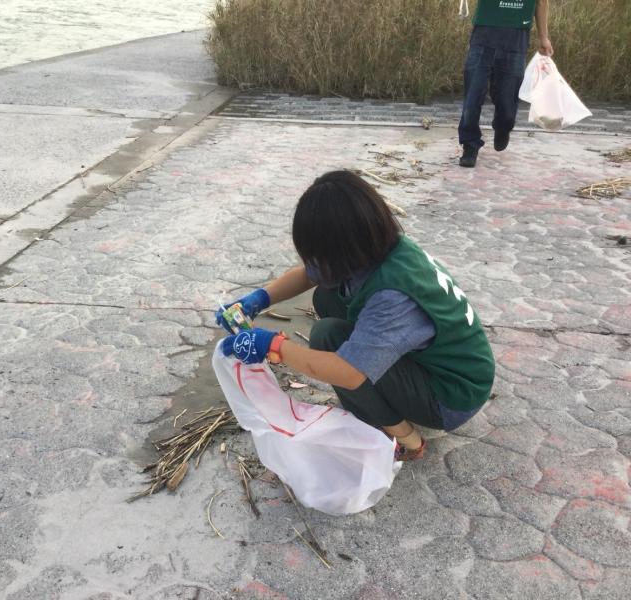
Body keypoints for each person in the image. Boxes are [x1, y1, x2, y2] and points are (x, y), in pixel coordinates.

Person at [216, 171, 495, 460]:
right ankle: (385, 383)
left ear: (343, 247)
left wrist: (273, 345)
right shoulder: (377, 246)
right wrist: (258, 299)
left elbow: (348, 373)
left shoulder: (392, 296)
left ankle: (404, 438)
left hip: (452, 396)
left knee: (328, 337)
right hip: (441, 361)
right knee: (327, 294)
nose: (313, 263)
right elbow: (309, 275)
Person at [458, 0, 554, 168]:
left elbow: (541, 3)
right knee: (473, 95)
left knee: (507, 101)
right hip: (484, 35)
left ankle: (503, 127)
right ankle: (470, 145)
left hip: (516, 39)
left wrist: (543, 38)